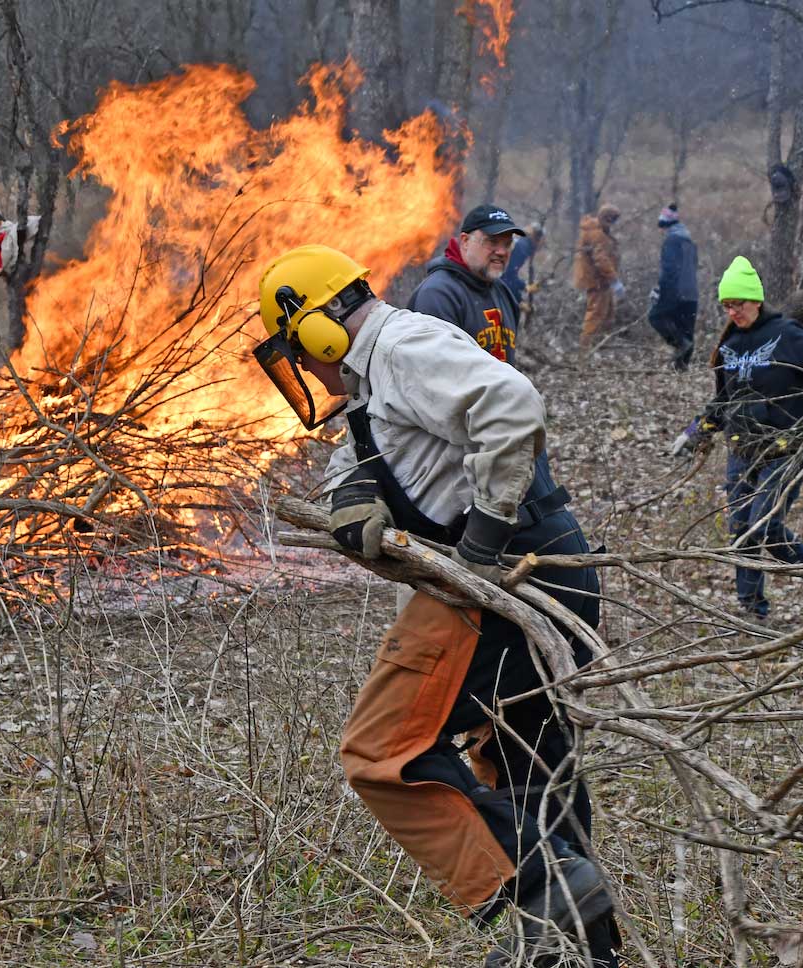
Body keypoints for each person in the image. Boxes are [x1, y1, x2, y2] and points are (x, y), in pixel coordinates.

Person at [254, 245, 618, 967]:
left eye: (302, 352)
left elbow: (512, 404)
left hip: (503, 573)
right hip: (551, 565)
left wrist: (480, 546)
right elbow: (372, 441)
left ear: (320, 329)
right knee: (521, 757)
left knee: (383, 750)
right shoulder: (383, 364)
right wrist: (352, 492)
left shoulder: (405, 345)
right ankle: (575, 949)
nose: (310, 370)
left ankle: (546, 889)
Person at [669, 255, 803, 622]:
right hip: (742, 450)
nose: (732, 312)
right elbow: (722, 401)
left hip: (786, 448)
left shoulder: (787, 333)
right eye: (726, 305)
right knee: (740, 531)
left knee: (761, 525)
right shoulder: (729, 344)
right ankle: (752, 611)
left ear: (756, 300)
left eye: (738, 304)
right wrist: (692, 434)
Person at [408, 204, 523, 364]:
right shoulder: (438, 294)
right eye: (492, 241)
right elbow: (438, 372)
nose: (502, 252)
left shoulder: (504, 293)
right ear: (465, 241)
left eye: (507, 244)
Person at [647, 203, 699, 370]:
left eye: (661, 228)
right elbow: (693, 267)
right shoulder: (690, 242)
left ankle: (680, 344)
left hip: (675, 292)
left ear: (665, 226)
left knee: (655, 316)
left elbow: (670, 270)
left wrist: (659, 290)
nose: (661, 232)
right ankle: (682, 367)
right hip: (691, 293)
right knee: (686, 329)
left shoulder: (671, 241)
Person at [574, 203, 623, 353]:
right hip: (597, 281)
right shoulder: (596, 234)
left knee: (607, 315)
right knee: (595, 316)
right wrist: (614, 280)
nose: (612, 224)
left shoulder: (599, 230)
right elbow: (601, 260)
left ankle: (600, 348)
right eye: (611, 220)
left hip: (602, 281)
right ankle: (585, 351)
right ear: (604, 218)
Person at [501, 221, 544, 309]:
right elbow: (507, 277)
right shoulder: (522, 248)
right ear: (537, 238)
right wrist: (519, 299)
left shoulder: (521, 242)